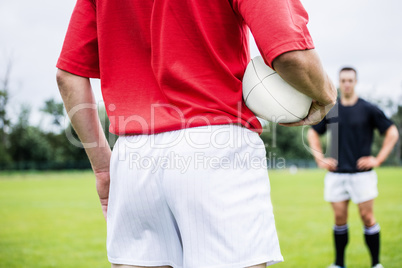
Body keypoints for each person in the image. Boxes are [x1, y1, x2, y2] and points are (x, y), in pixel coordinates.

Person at [56, 0, 336, 267]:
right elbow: (290, 56)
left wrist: (104, 170)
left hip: (132, 157)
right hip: (216, 143)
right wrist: (326, 95)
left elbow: (67, 75)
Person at [307, 67, 399, 268]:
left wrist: (378, 159)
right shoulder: (332, 108)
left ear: (355, 82)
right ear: (339, 83)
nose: (347, 84)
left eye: (350, 80)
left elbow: (392, 132)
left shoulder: (368, 109)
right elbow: (313, 133)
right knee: (340, 219)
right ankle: (339, 264)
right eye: (343, 80)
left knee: (367, 217)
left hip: (362, 175)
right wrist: (320, 158)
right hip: (336, 174)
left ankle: (376, 264)